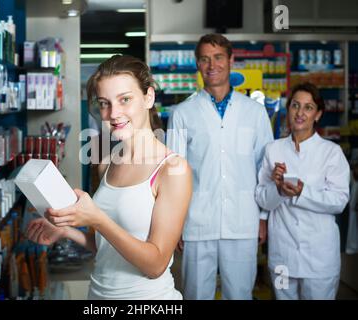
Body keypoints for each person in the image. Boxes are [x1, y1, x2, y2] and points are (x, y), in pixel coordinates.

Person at [26, 55, 193, 300]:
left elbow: (155, 265)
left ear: (148, 97)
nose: (114, 113)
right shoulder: (107, 162)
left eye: (125, 99)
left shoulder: (172, 169)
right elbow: (105, 246)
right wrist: (67, 232)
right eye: (104, 103)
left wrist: (97, 218)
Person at [167, 34, 274, 300]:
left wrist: (263, 218)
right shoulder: (182, 113)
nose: (211, 65)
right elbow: (173, 174)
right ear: (198, 65)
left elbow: (265, 168)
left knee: (239, 295)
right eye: (204, 59)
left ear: (231, 60)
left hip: (243, 220)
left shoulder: (255, 112)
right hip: (197, 221)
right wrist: (176, 223)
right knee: (194, 294)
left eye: (217, 57)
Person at [255, 82, 350, 300]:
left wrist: (301, 192)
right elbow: (261, 198)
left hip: (319, 258)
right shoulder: (273, 149)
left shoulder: (331, 153)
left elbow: (339, 201)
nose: (300, 113)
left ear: (317, 115)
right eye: (295, 105)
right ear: (288, 109)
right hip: (282, 257)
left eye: (308, 108)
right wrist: (277, 189)